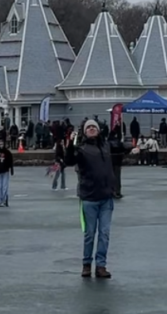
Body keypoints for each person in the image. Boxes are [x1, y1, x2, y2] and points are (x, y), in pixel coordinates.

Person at [65, 119, 115, 279]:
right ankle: (86, 264)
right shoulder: (81, 149)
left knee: (104, 233)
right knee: (90, 233)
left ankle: (101, 265)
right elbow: (69, 160)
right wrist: (69, 145)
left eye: (94, 127)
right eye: (89, 127)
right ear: (84, 132)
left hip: (106, 197)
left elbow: (120, 147)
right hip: (89, 197)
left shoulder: (106, 146)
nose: (92, 129)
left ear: (99, 130)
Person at [0, 139, 14, 207]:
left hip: (5, 171)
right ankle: (0, 199)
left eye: (2, 144)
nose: (1, 145)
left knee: (5, 186)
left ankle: (4, 200)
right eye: (0, 144)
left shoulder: (7, 153)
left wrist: (11, 169)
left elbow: (10, 161)